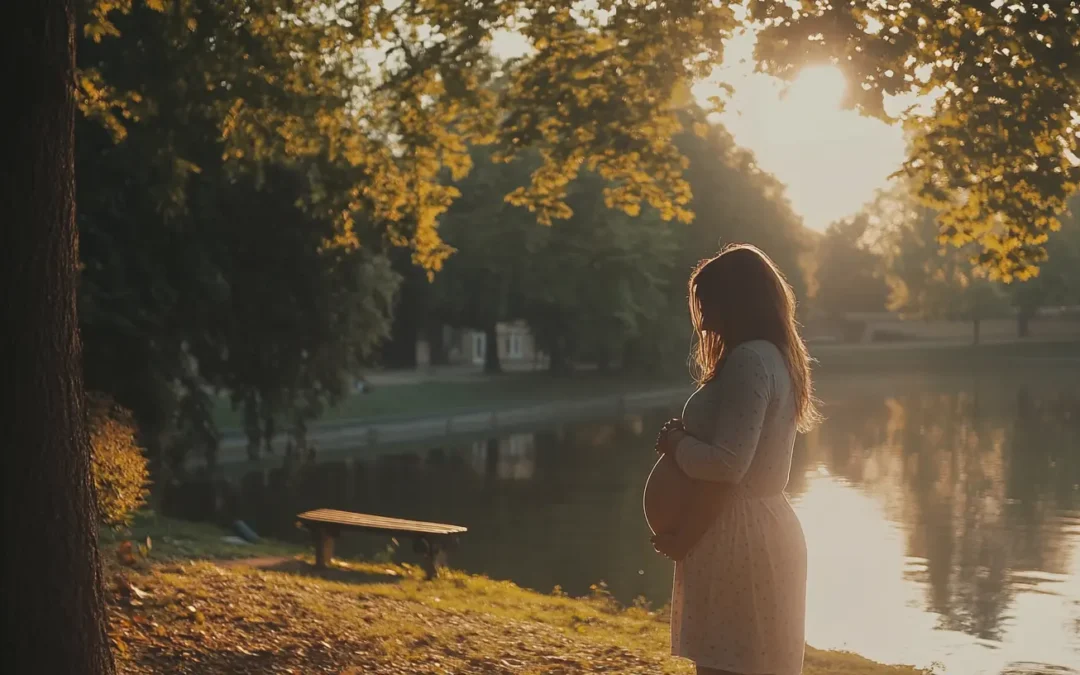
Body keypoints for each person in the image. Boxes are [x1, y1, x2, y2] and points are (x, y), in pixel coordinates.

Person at [652, 244, 820, 675]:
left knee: (729, 667)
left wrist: (675, 443)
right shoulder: (772, 357)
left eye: (708, 301)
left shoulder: (750, 360)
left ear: (736, 300)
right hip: (742, 531)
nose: (702, 316)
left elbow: (729, 467)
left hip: (740, 540)